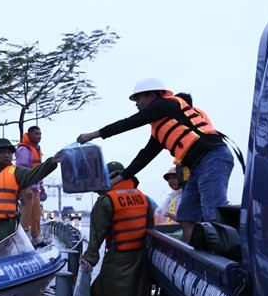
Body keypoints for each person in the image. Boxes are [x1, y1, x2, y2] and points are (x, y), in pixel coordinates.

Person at [77, 77, 233, 242]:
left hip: (213, 158)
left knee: (211, 213)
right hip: (196, 167)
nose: (136, 104)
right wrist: (118, 179)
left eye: (139, 98)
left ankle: (222, 258)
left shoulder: (166, 105)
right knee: (186, 215)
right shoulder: (159, 128)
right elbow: (144, 157)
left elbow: (130, 123)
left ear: (152, 96)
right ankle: (193, 254)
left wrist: (93, 135)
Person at [80, 161, 154, 296]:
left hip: (120, 255)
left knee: (105, 292)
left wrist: (90, 258)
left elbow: (97, 233)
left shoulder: (107, 200)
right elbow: (150, 227)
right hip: (140, 255)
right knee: (135, 294)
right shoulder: (143, 197)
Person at [16, 125, 47, 245]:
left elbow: (38, 169)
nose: (39, 136)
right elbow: (22, 169)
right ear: (29, 135)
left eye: (40, 134)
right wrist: (26, 186)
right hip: (27, 188)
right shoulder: (24, 149)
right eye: (36, 134)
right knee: (26, 214)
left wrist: (41, 184)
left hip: (36, 187)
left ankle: (36, 238)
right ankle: (21, 241)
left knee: (36, 214)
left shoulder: (37, 149)